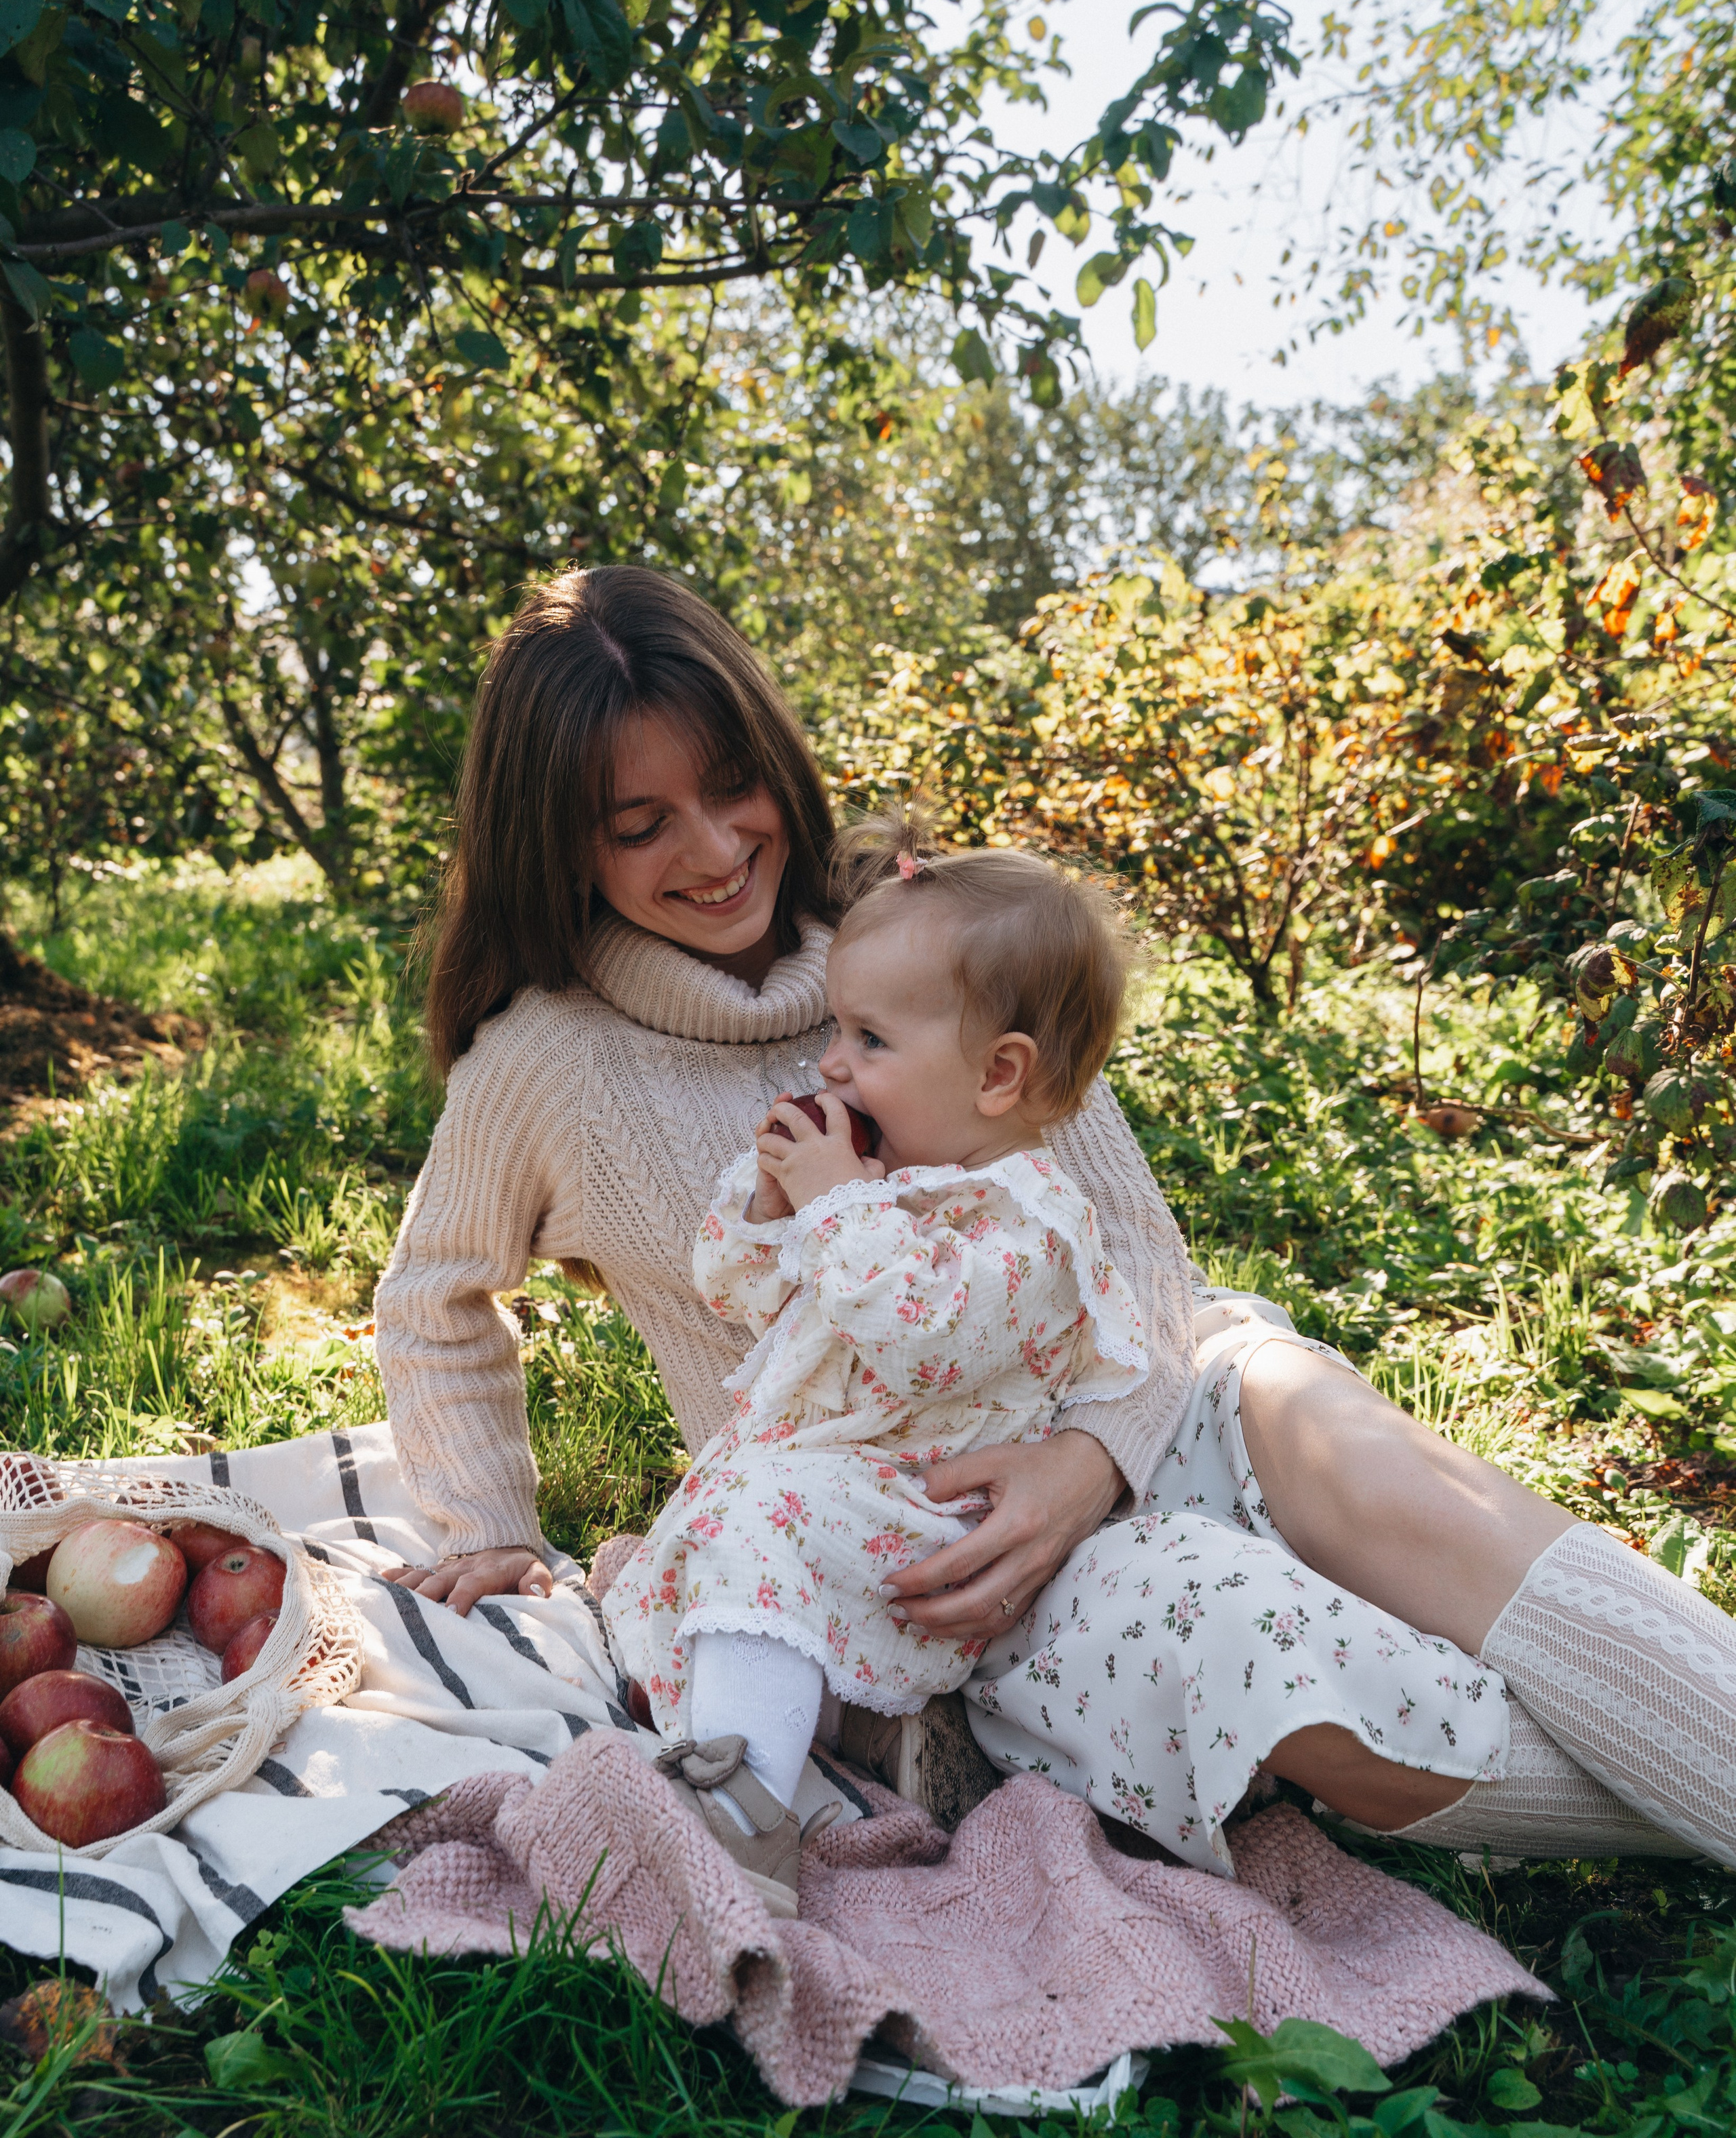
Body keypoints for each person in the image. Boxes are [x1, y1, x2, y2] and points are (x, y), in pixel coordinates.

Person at [377, 565, 1736, 1886]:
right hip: (921, 1532)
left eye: (732, 786)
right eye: (639, 824)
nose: (718, 845)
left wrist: (1092, 1456)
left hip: (1140, 1397)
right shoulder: (546, 1066)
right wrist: (488, 1517)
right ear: (556, 839)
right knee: (1284, 1693)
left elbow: (1142, 1265)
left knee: (1337, 1438)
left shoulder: (918, 937)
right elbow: (434, 1296)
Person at [599, 814, 1514, 1909]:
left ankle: (737, 1811)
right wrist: (768, 1205)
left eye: (871, 1042)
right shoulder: (895, 1182)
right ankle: (823, 1746)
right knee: (712, 1558)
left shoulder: (1033, 1222)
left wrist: (837, 1202)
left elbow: (924, 1340)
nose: (833, 1064)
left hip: (931, 1510)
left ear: (999, 1076)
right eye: (838, 1030)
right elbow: (741, 1292)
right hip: (849, 1487)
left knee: (757, 1537)